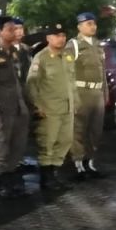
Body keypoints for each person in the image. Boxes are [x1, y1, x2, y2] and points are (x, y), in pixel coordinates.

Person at [0, 16, 32, 199]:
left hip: (19, 107)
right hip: (2, 109)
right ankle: (1, 183)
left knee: (17, 145)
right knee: (1, 146)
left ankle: (12, 180)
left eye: (15, 29)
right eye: (10, 29)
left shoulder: (15, 52)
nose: (14, 32)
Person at [27, 23, 76, 193]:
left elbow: (71, 82)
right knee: (47, 143)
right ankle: (46, 178)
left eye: (63, 35)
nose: (60, 39)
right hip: (49, 109)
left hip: (67, 108)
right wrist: (36, 106)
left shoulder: (67, 56)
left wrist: (75, 102)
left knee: (64, 141)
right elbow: (32, 84)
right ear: (48, 38)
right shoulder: (41, 58)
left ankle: (54, 174)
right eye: (56, 35)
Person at [70, 12, 107, 178]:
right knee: (78, 130)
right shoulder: (74, 45)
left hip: (97, 93)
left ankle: (89, 162)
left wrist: (105, 94)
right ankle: (78, 165)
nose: (93, 26)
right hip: (81, 92)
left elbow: (103, 72)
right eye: (88, 23)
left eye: (94, 23)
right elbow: (67, 73)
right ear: (79, 27)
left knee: (95, 131)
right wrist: (72, 96)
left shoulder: (98, 45)